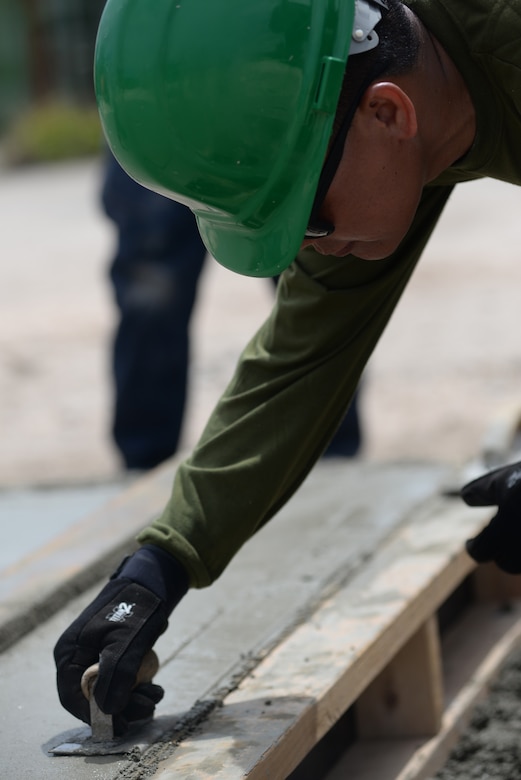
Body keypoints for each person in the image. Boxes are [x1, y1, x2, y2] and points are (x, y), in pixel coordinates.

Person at [55, 0, 521, 733]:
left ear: (386, 115)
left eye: (312, 218)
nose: (309, 247)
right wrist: (157, 568)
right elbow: (298, 363)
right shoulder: (398, 110)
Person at [102, 153, 363, 469]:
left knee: (314, 276)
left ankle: (331, 450)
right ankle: (145, 463)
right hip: (156, 115)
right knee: (152, 298)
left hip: (269, 114)